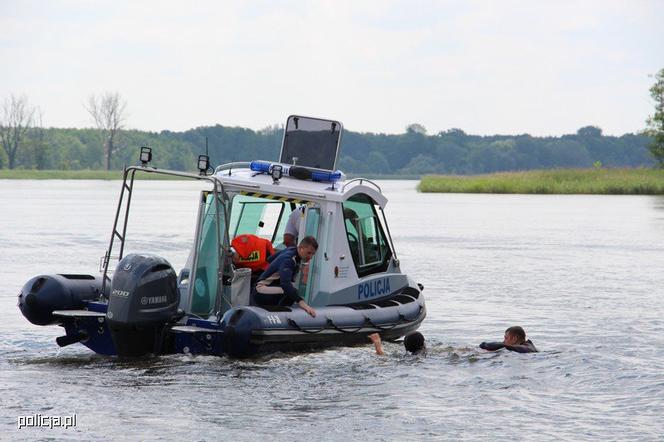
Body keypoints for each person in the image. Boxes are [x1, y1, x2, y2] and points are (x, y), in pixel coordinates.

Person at [254, 236, 318, 317]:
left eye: (313, 254)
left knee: (291, 289)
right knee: (290, 291)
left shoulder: (292, 250)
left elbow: (270, 259)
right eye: (309, 253)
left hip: (269, 287)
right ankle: (281, 317)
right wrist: (304, 304)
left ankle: (279, 311)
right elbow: (285, 284)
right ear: (301, 248)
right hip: (260, 290)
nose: (311, 257)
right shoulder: (289, 260)